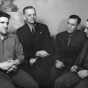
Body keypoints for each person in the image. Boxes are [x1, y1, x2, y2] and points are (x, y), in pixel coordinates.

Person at [16, 6, 54, 88]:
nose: (33, 17)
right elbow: (21, 51)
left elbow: (49, 46)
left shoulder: (43, 28)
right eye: (29, 15)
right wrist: (35, 54)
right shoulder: (20, 31)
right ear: (24, 17)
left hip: (43, 60)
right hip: (27, 60)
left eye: (34, 14)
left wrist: (37, 57)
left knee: (43, 72)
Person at [0, 11, 39, 88]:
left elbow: (20, 54)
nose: (5, 26)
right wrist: (1, 65)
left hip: (13, 70)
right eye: (2, 22)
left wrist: (16, 62)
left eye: (7, 23)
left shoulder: (14, 37)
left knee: (34, 85)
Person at [54, 19, 88, 88]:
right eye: (85, 28)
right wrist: (75, 65)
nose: (85, 31)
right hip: (80, 69)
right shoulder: (87, 42)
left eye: (87, 28)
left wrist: (87, 72)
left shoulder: (82, 37)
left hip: (86, 73)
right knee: (59, 82)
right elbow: (81, 56)